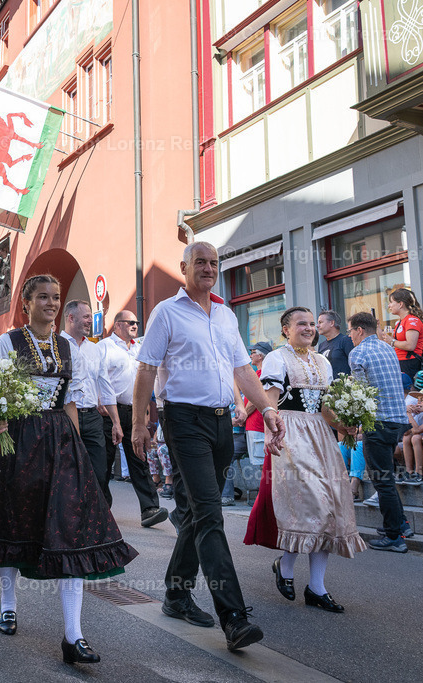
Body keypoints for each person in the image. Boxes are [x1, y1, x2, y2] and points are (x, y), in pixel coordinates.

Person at [0, 274, 138, 666]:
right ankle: (8, 603)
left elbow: (72, 400)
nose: (51, 303)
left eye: (56, 297)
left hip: (59, 441)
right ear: (26, 302)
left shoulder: (66, 348)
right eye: (43, 296)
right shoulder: (4, 343)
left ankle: (73, 635)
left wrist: (74, 446)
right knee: (12, 520)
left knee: (69, 528)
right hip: (17, 440)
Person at [131, 242, 284, 652]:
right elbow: (146, 368)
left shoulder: (226, 314)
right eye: (200, 262)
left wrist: (266, 410)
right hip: (183, 420)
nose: (209, 269)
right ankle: (233, 616)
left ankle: (176, 595)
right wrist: (139, 424)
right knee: (210, 514)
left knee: (198, 515)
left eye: (214, 263)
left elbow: (242, 369)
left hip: (220, 422)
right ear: (184, 268)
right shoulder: (166, 312)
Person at [244, 307, 366, 613]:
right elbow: (270, 399)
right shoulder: (276, 358)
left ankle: (316, 587)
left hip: (320, 435)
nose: (309, 328)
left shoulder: (322, 361)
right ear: (286, 329)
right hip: (291, 433)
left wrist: (345, 426)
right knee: (307, 505)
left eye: (312, 323)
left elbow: (324, 408)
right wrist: (273, 429)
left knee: (329, 507)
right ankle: (286, 567)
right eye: (302, 324)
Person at [347, 312, 410, 552]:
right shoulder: (388, 348)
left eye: (351, 330)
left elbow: (362, 393)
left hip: (378, 421)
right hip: (397, 419)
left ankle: (394, 535)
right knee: (386, 477)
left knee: (382, 480)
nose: (350, 336)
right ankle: (401, 524)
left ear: (360, 330)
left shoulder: (359, 352)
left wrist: (356, 422)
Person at [99, 309, 168, 527]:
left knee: (140, 458)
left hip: (133, 411)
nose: (135, 326)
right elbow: (96, 377)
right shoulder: (104, 347)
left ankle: (150, 509)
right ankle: (100, 510)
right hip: (109, 412)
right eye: (130, 322)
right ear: (117, 325)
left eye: (136, 322)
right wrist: (101, 402)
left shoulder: (139, 348)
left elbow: (144, 384)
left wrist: (146, 412)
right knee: (104, 462)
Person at [59, 299, 118, 505]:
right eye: (85, 317)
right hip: (64, 417)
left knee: (99, 470)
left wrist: (116, 422)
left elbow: (106, 384)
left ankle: (98, 519)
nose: (89, 322)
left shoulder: (95, 349)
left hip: (92, 417)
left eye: (90, 317)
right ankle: (72, 515)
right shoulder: (57, 346)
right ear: (71, 318)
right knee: (68, 469)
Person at [381, 289, 423, 381]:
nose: (389, 306)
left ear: (400, 304)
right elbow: (391, 342)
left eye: (391, 302)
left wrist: (392, 341)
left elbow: (410, 345)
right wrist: (378, 327)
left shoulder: (412, 320)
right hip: (400, 362)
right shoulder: (399, 322)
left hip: (410, 362)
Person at [242, 342, 271, 468]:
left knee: (262, 465)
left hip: (258, 425)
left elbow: (255, 401)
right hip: (254, 425)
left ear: (260, 356)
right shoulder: (259, 373)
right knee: (260, 465)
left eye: (252, 353)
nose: (250, 356)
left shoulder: (264, 373)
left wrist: (242, 415)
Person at [317, 310, 353, 378]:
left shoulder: (345, 340)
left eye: (320, 322)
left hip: (344, 387)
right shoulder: (321, 345)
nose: (317, 325)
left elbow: (355, 365)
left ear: (332, 323)